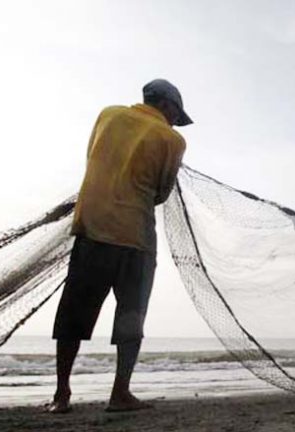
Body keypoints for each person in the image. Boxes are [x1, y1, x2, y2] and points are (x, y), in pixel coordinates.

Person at [47, 79, 191, 414]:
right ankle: (120, 394)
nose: (175, 122)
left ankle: (61, 395)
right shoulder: (172, 140)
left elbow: (92, 159)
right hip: (135, 239)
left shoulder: (107, 115)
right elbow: (161, 193)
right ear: (167, 106)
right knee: (131, 316)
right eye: (175, 115)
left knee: (74, 314)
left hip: (91, 229)